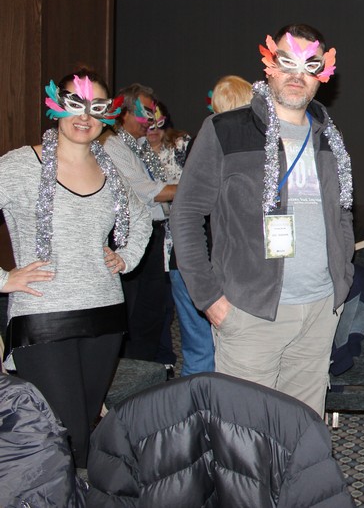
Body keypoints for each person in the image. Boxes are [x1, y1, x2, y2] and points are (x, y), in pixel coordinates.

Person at [170, 24, 355, 416]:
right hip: (250, 312)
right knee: (245, 431)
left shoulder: (329, 137)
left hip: (320, 310)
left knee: (302, 427)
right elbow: (185, 214)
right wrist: (209, 298)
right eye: (287, 61)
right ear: (269, 64)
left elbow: (342, 212)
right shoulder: (225, 130)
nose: (297, 74)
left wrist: (342, 279)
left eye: (309, 65)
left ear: (323, 73)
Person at [1, 71, 150, 467]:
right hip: (43, 317)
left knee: (83, 429)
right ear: (55, 106)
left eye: (96, 107)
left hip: (104, 314)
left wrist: (126, 256)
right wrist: (5, 279)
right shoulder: (20, 165)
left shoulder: (109, 170)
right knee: (63, 434)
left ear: (107, 115)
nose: (85, 116)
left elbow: (141, 217)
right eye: (75, 103)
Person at [102, 83, 177, 371]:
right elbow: (148, 192)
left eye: (152, 113)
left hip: (153, 234)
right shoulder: (112, 145)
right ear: (123, 112)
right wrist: (195, 188)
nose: (150, 119)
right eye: (144, 112)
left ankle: (145, 374)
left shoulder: (140, 146)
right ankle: (130, 378)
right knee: (132, 314)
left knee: (153, 311)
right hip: (127, 236)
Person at [147, 103, 215, 377]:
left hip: (192, 245)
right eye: (146, 123)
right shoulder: (130, 149)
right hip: (175, 245)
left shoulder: (183, 144)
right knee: (193, 336)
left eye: (157, 123)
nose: (152, 129)